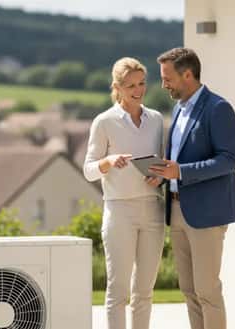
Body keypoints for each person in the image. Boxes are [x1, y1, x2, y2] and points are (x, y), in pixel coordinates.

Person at [149, 47, 235, 329]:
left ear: (187, 74)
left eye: (168, 78)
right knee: (189, 290)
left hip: (207, 213)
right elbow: (179, 158)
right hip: (176, 209)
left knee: (207, 291)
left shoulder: (218, 108)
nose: (163, 84)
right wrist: (164, 175)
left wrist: (182, 171)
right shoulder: (178, 108)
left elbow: (229, 160)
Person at [83, 57, 166, 329]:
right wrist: (108, 162)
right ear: (117, 87)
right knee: (117, 290)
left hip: (152, 209)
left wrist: (159, 177)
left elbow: (163, 163)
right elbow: (89, 170)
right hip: (119, 211)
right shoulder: (104, 121)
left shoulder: (155, 120)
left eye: (142, 83)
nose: (138, 90)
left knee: (144, 290)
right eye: (131, 85)